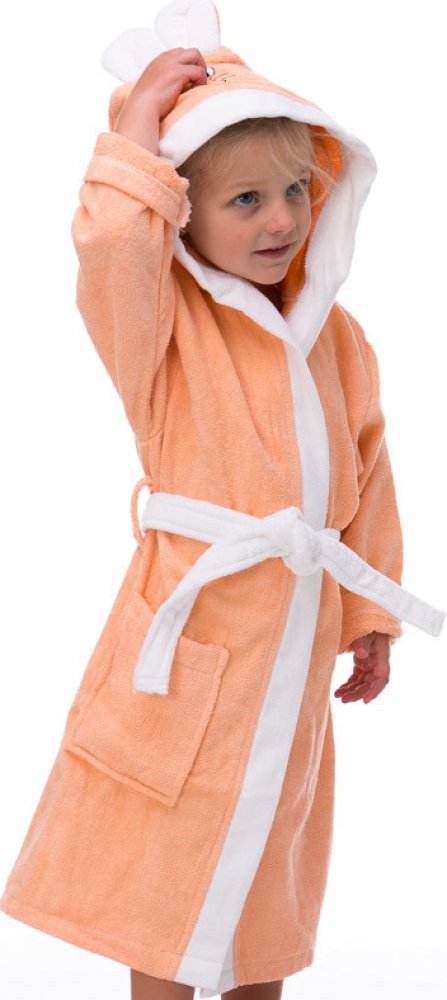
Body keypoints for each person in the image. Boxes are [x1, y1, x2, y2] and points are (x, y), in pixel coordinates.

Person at [0, 2, 444, 999]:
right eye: (244, 200)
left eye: (295, 190)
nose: (281, 219)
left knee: (265, 886)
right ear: (181, 209)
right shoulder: (158, 327)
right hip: (193, 641)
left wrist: (370, 616)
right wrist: (134, 141)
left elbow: (368, 473)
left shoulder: (338, 338)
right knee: (164, 885)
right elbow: (114, 246)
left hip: (292, 645)